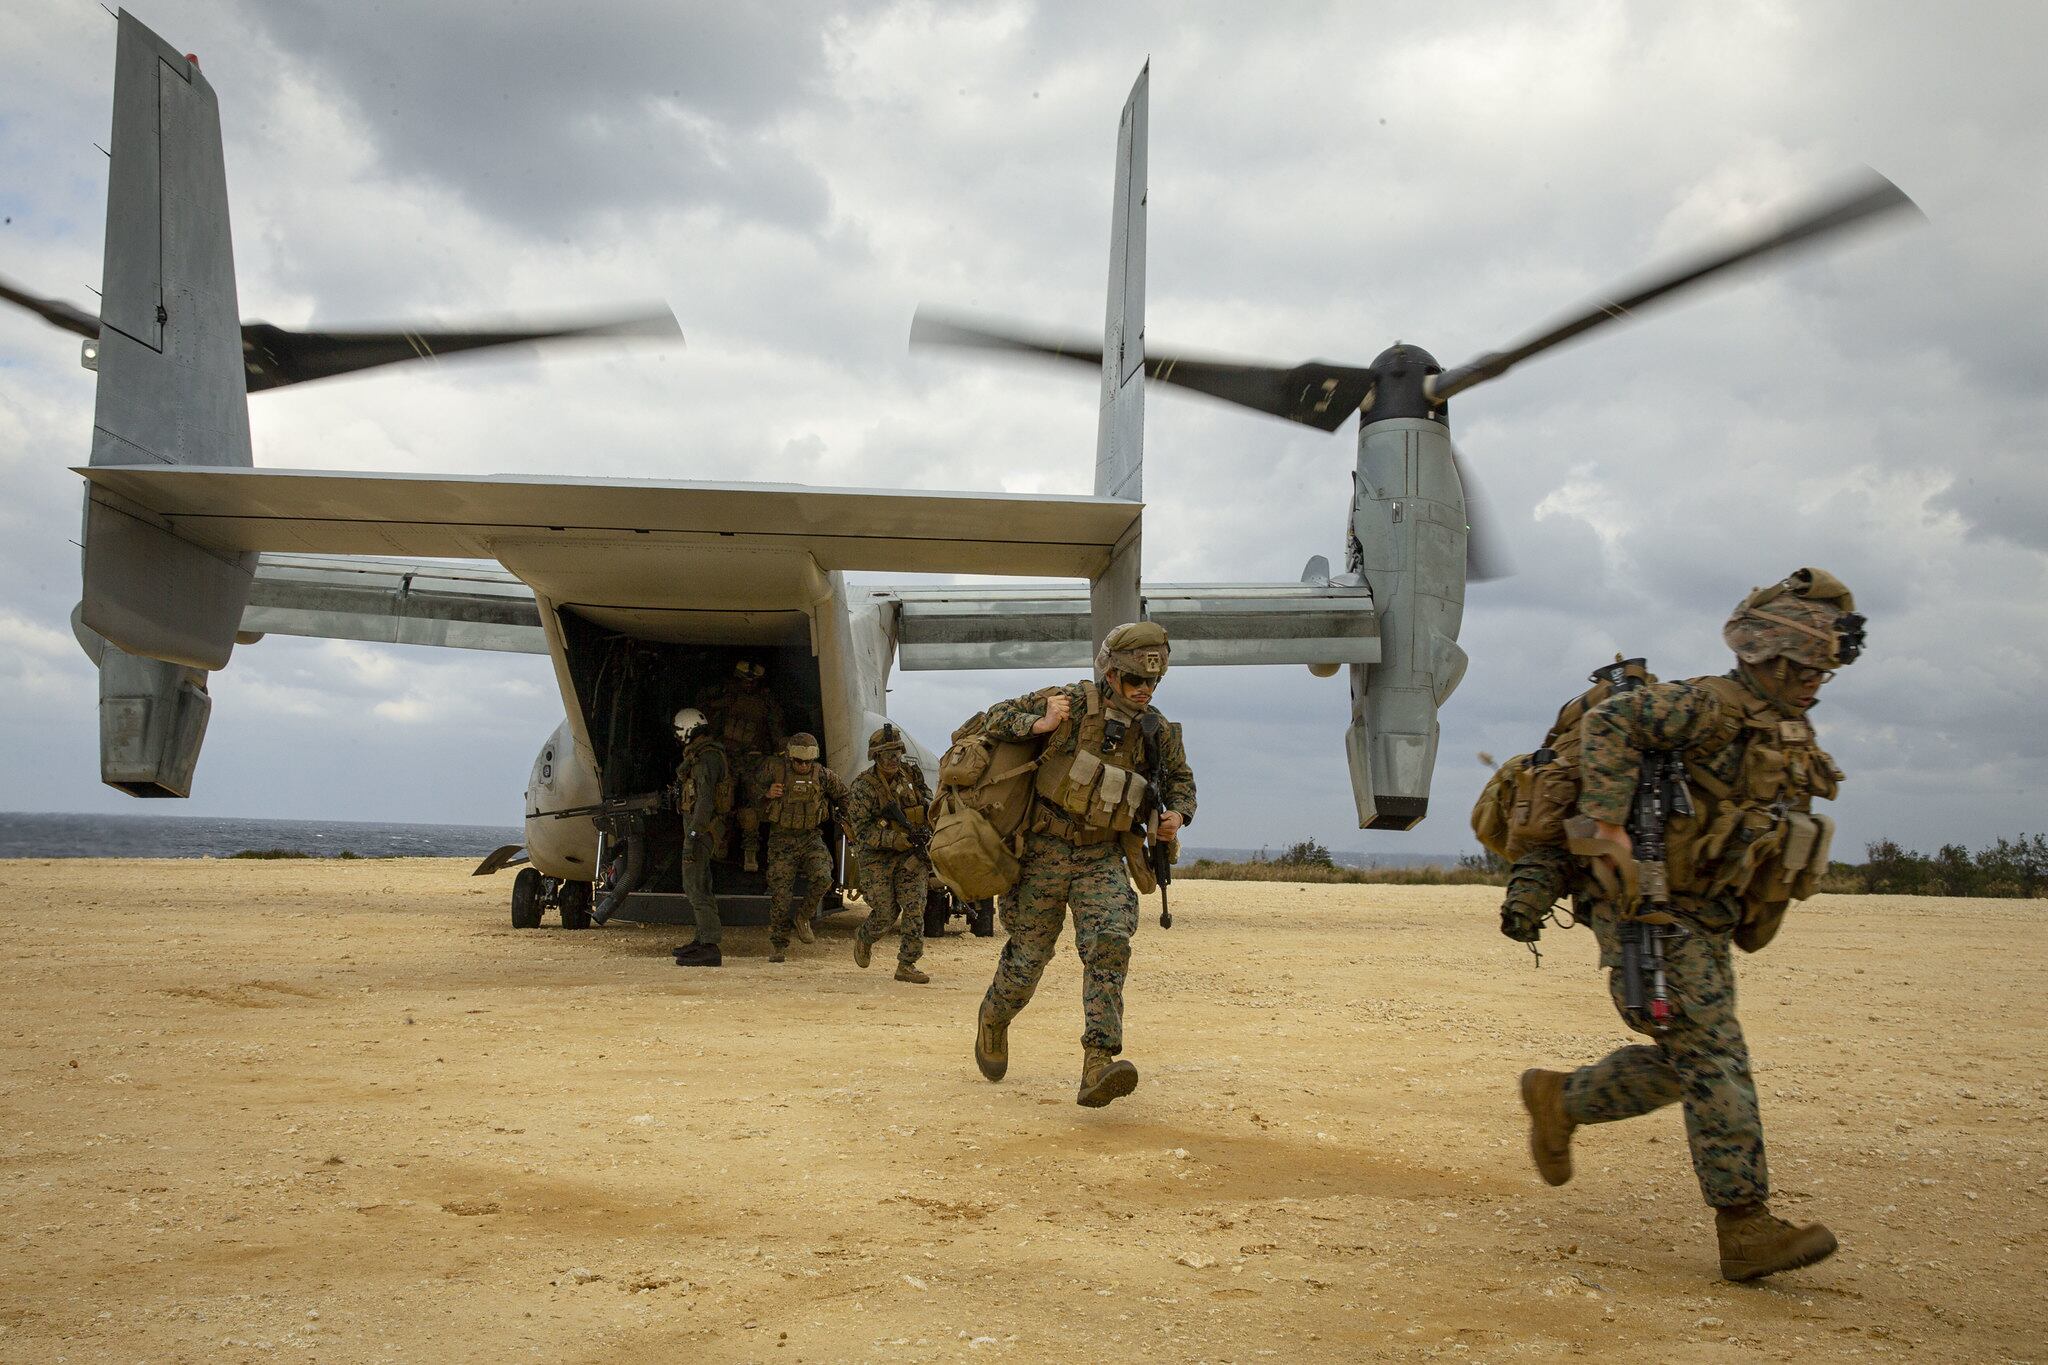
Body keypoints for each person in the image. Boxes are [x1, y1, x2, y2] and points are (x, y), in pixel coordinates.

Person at [1518, 568, 1866, 1282]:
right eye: (1804, 667)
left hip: (1705, 915)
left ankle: (1562, 1098)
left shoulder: (1784, 723)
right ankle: (1745, 1225)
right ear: (1769, 656)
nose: (1815, 681)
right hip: (1648, 908)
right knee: (1714, 1058)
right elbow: (1614, 722)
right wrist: (1609, 822)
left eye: (1821, 670)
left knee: (1694, 1063)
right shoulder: (1705, 705)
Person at [971, 621, 1195, 1107]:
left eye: (1152, 683)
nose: (1144, 690)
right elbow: (992, 719)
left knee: (1110, 941)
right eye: (1135, 681)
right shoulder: (1067, 702)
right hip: (1043, 853)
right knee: (1029, 957)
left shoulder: (1156, 731)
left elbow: (1180, 780)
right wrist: (1040, 723)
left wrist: (1177, 814)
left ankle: (1098, 1062)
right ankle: (995, 1017)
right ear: (1110, 674)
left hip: (1101, 854)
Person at [848, 724, 934, 984]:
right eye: (887, 755)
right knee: (886, 912)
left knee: (915, 908)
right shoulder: (864, 787)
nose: (893, 760)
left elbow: (926, 797)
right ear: (876, 757)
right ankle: (865, 936)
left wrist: (923, 824)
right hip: (878, 857)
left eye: (897, 753)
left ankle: (907, 964)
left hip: (911, 853)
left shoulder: (911, 774)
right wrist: (894, 839)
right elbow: (861, 831)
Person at [753, 731, 847, 963]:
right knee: (781, 895)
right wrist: (766, 793)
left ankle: (803, 917)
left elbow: (845, 796)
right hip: (781, 839)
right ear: (790, 758)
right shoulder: (775, 770)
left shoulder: (823, 776)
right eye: (799, 761)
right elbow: (748, 791)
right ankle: (778, 945)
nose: (804, 766)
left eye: (808, 761)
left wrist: (845, 819)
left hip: (810, 837)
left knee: (824, 878)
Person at [700, 660, 787, 873]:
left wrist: (781, 755)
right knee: (723, 802)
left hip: (753, 760)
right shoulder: (726, 697)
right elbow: (707, 716)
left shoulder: (766, 702)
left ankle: (750, 851)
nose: (748, 685)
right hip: (728, 758)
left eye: (753, 682)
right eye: (744, 681)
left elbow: (776, 731)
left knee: (752, 804)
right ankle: (721, 842)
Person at [669, 707, 730, 968]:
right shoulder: (705, 755)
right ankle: (702, 938)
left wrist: (693, 835)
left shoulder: (706, 759)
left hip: (702, 831)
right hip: (702, 829)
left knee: (696, 886)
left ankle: (709, 947)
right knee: (699, 883)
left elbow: (705, 801)